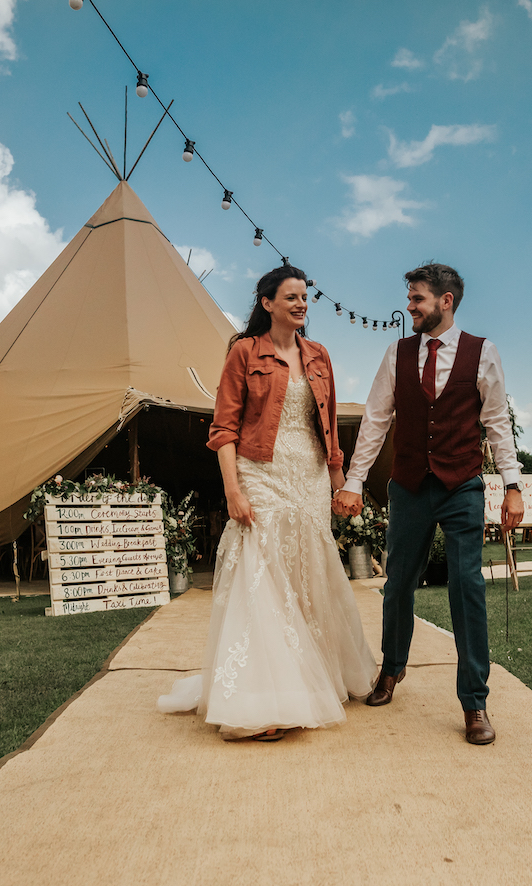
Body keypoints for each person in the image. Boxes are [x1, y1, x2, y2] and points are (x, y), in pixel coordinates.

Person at [157, 266, 378, 741]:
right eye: (292, 297)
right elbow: (223, 429)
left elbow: (330, 427)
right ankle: (260, 698)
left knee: (309, 573)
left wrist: (342, 484)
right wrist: (234, 490)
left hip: (310, 478)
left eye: (305, 297)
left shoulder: (318, 356)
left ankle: (315, 677)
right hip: (261, 472)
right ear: (267, 303)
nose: (301, 304)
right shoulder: (243, 352)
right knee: (263, 576)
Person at [333, 261, 523, 746]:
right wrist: (354, 482)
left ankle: (475, 702)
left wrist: (514, 484)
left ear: (446, 301)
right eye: (411, 298)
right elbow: (375, 419)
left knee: (467, 586)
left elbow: (498, 421)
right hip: (411, 485)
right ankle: (391, 670)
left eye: (417, 298)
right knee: (397, 584)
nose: (410, 307)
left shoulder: (483, 353)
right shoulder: (397, 353)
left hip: (462, 484)